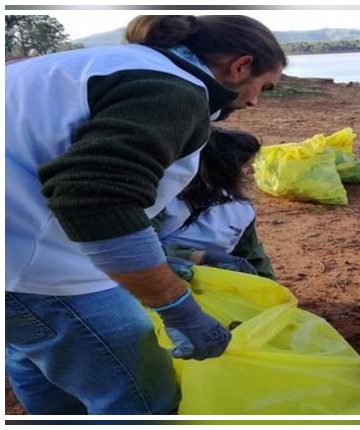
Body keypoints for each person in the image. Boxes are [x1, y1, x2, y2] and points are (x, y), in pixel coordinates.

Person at [6, 15, 286, 414]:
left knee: (39, 364)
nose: (256, 100)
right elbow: (94, 199)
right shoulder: (174, 90)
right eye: (264, 86)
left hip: (18, 257)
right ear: (240, 66)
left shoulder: (98, 64)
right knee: (142, 402)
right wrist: (176, 307)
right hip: (37, 272)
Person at [155, 126, 276, 280]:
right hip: (157, 280)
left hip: (211, 284)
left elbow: (250, 253)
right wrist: (197, 257)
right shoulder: (164, 198)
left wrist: (270, 286)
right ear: (223, 168)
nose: (252, 170)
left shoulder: (240, 209)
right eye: (245, 165)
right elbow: (135, 248)